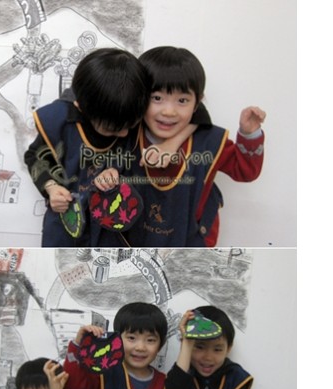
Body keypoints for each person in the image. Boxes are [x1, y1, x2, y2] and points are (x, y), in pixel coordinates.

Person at [25, 47, 205, 247]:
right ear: (81, 108)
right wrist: (51, 187)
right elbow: (34, 156)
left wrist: (171, 145)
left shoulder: (130, 105)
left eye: (130, 126)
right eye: (112, 130)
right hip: (66, 223)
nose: (124, 134)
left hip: (111, 230)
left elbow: (199, 111)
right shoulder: (61, 120)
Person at [124, 46, 266, 247]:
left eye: (182, 100)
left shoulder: (208, 140)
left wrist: (249, 134)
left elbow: (245, 171)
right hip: (134, 243)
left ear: (197, 103)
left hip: (191, 244)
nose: (169, 111)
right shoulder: (127, 133)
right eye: (157, 98)